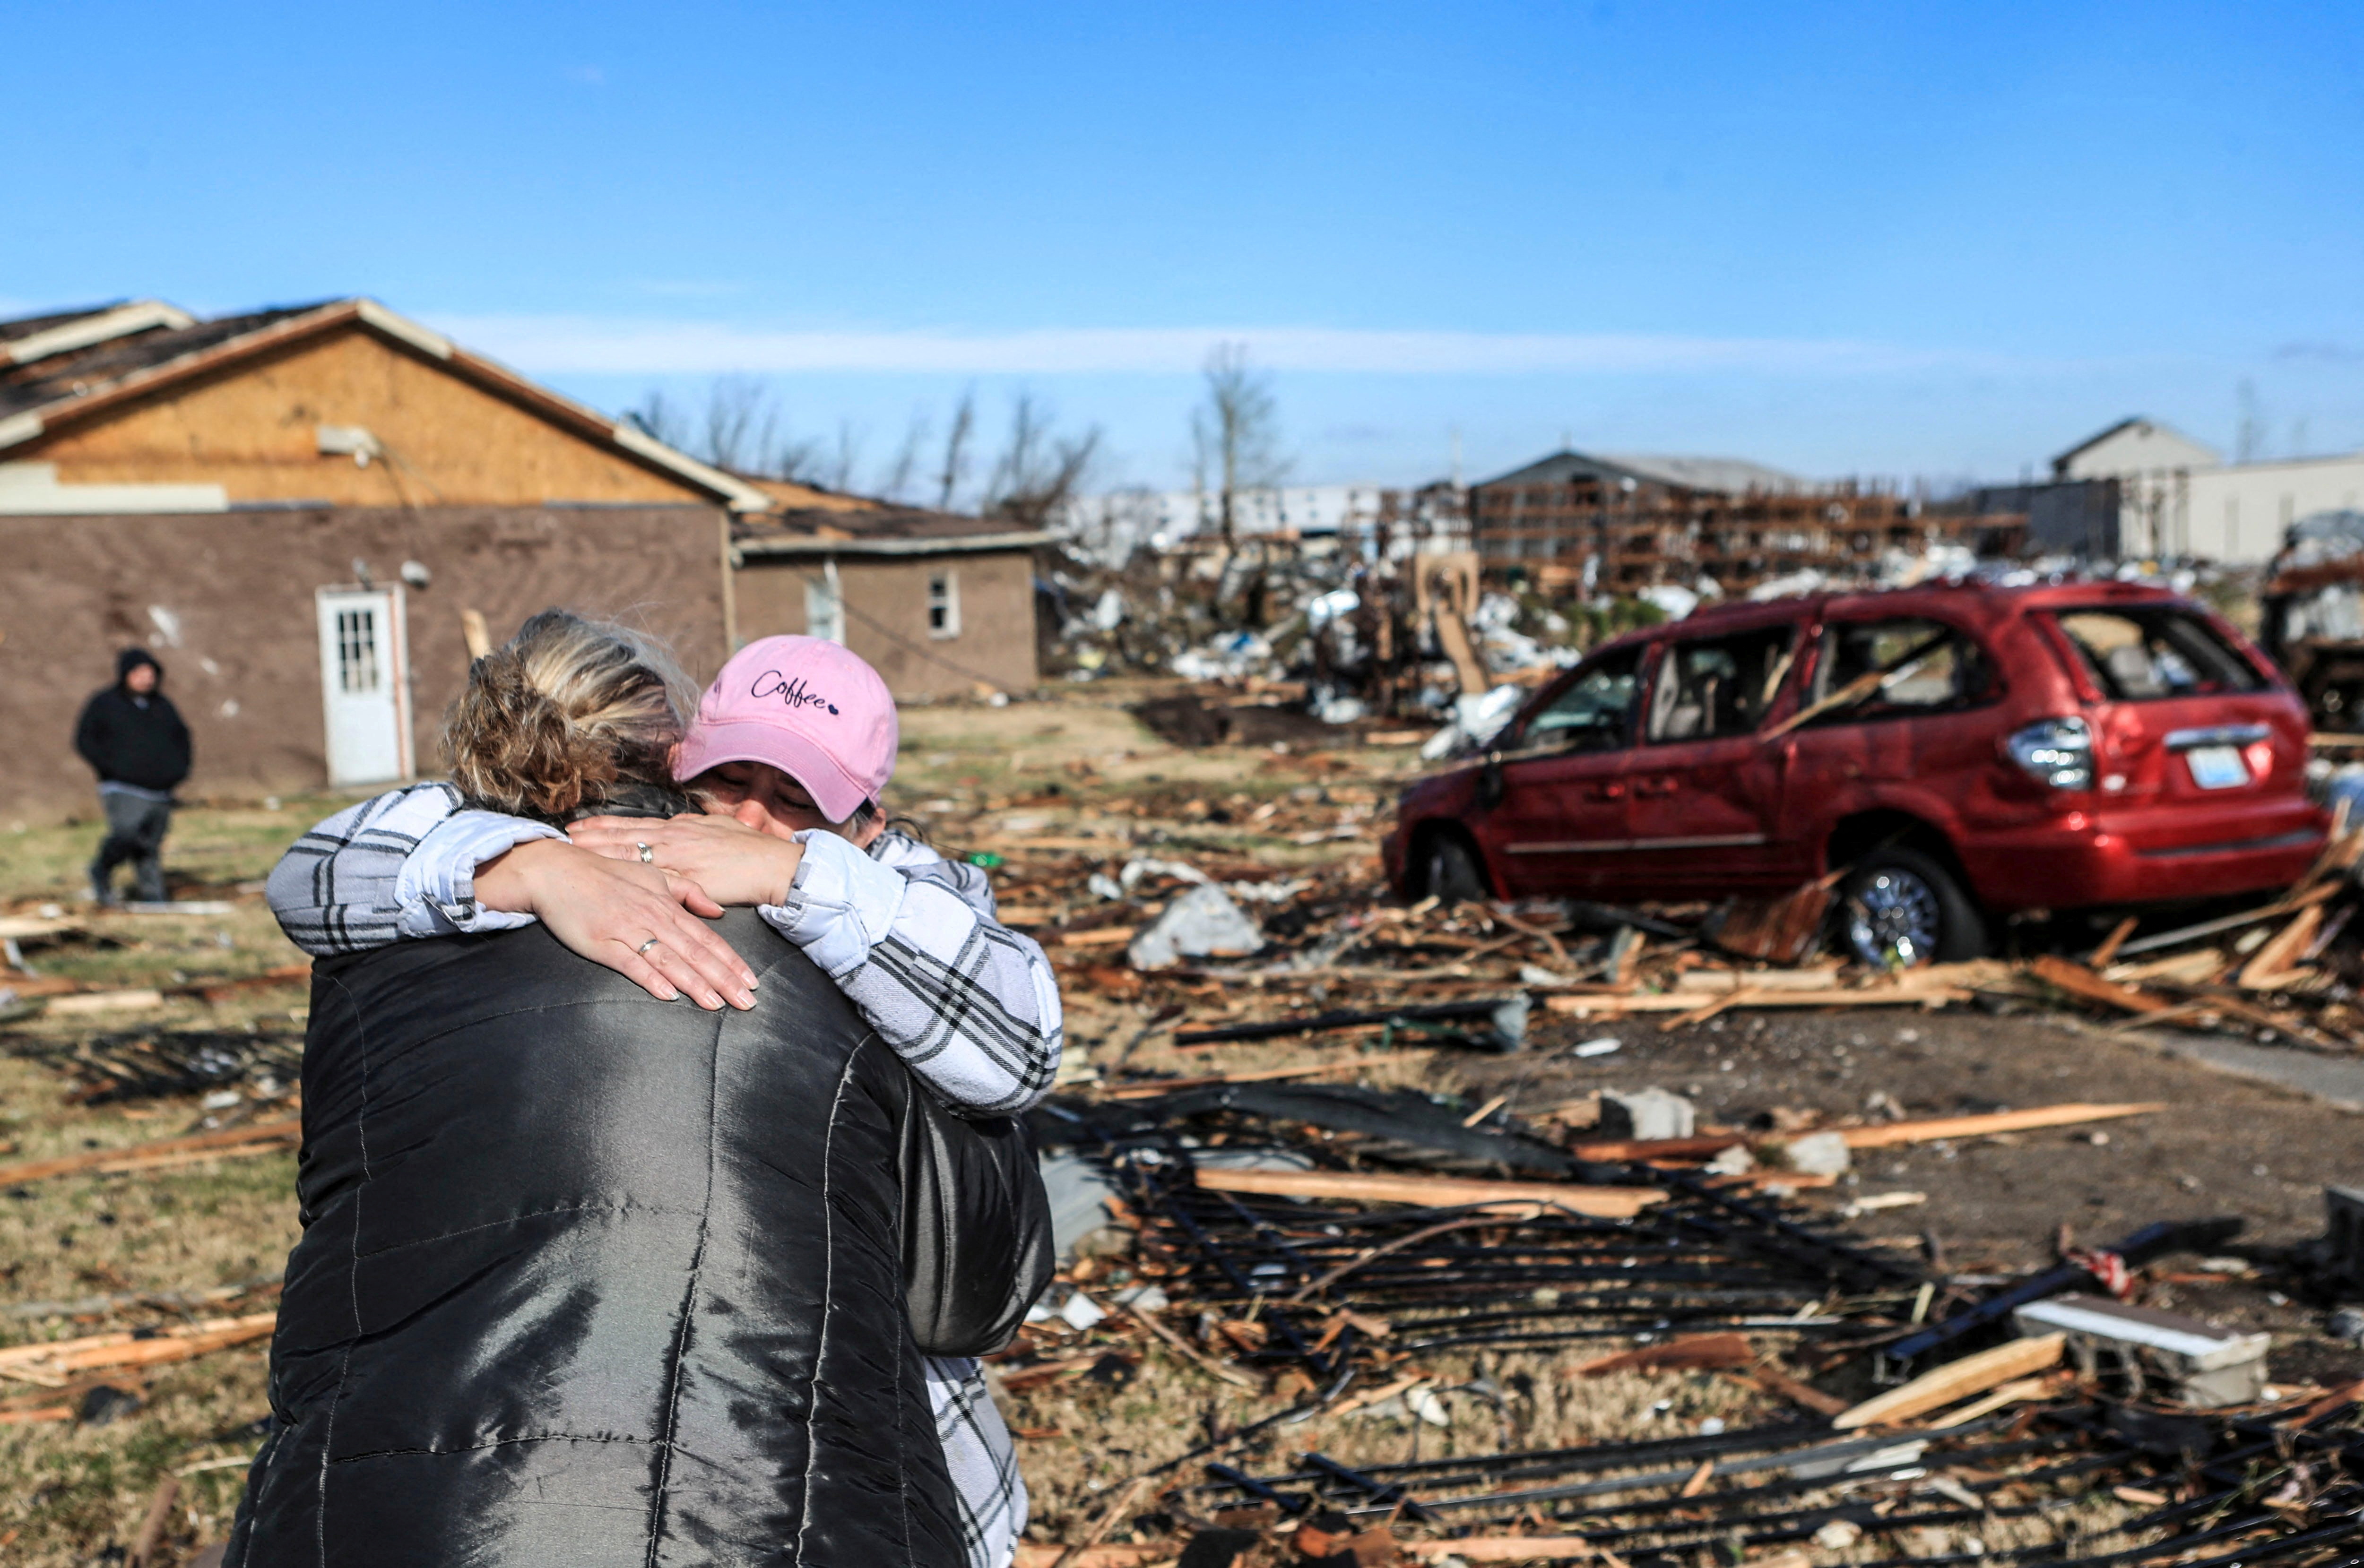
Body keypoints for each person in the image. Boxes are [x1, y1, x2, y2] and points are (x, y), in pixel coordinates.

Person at [266, 625, 1062, 1568]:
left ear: (866, 822)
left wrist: (798, 880)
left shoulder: (898, 887)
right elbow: (308, 875)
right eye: (732, 781)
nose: (755, 817)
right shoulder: (602, 845)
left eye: (798, 801)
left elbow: (1023, 1044)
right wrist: (528, 867)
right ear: (680, 761)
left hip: (877, 1404)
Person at [74, 647, 191, 905]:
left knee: (150, 847)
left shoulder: (163, 705)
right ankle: (102, 869)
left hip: (160, 789)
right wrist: (112, 767)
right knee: (127, 834)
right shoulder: (105, 703)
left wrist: (179, 770)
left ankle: (153, 897)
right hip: (124, 787)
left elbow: (182, 739)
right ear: (126, 674)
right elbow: (84, 739)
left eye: (150, 673)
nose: (146, 679)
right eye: (140, 673)